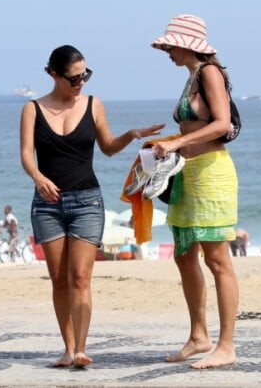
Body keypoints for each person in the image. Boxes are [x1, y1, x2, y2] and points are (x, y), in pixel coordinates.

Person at [20, 44, 164, 368]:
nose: (81, 82)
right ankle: (68, 349)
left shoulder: (93, 104)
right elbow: (27, 155)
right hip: (47, 204)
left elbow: (109, 147)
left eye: (85, 74)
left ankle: (82, 350)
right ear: (54, 75)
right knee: (59, 280)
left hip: (87, 201)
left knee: (81, 277)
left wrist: (131, 135)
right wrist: (37, 177)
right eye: (74, 78)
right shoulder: (32, 109)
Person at [150, 14, 239, 369]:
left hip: (211, 174)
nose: (167, 51)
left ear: (187, 44)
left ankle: (226, 345)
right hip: (188, 174)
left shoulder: (209, 73)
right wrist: (170, 146)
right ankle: (198, 335)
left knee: (217, 260)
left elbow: (223, 123)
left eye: (170, 45)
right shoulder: (191, 77)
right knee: (184, 255)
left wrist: (180, 142)